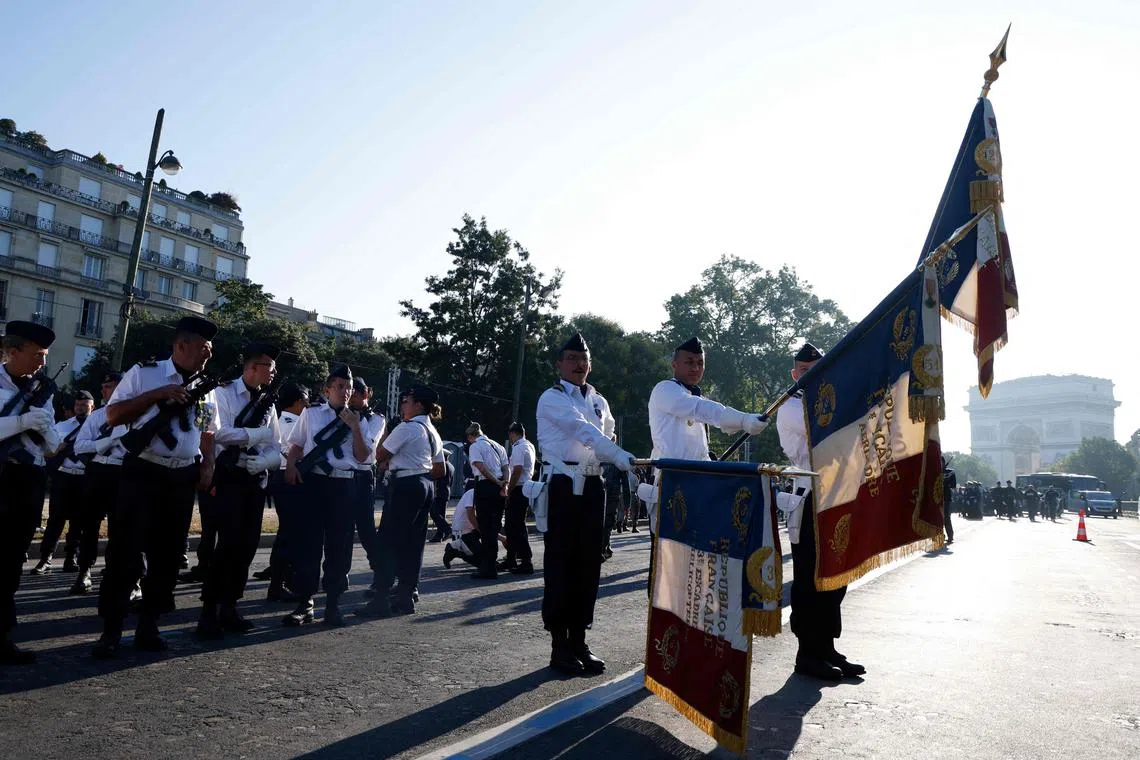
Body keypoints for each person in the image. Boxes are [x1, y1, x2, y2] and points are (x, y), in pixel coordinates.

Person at [93, 316, 220, 659]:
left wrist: (207, 464)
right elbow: (113, 415)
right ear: (181, 346)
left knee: (167, 556)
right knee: (125, 552)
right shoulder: (144, 373)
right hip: (143, 471)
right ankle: (111, 631)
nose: (208, 355)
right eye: (203, 348)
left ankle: (149, 625)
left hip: (181, 476)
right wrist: (157, 394)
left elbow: (207, 431)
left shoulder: (207, 385)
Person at [536, 332, 636, 676]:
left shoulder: (598, 400)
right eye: (572, 359)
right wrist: (620, 455)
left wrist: (615, 453)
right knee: (561, 563)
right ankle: (559, 645)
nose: (580, 365)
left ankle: (579, 639)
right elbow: (584, 432)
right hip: (564, 483)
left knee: (589, 565)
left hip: (594, 483)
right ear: (559, 364)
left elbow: (605, 435)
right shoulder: (551, 398)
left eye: (584, 359)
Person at [645, 336, 769, 587]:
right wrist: (743, 419)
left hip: (697, 487)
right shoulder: (666, 390)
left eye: (700, 363)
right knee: (666, 568)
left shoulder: (692, 395)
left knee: (692, 563)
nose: (695, 368)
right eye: (689, 362)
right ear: (674, 364)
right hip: (672, 486)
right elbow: (702, 409)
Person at [776, 341, 863, 681]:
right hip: (811, 496)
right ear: (794, 373)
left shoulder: (832, 397)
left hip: (837, 494)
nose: (811, 376)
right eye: (805, 371)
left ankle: (826, 646)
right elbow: (828, 430)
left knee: (836, 576)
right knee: (810, 578)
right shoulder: (792, 405)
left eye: (819, 369)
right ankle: (806, 652)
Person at [196, 342, 282, 639]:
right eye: (269, 366)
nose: (273, 372)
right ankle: (208, 612)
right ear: (251, 368)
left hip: (254, 479)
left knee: (247, 546)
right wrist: (255, 434)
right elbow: (217, 433)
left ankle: (230, 607)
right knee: (227, 544)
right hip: (229, 476)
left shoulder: (268, 401)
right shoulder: (222, 393)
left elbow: (277, 446)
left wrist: (266, 462)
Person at [282, 365, 366, 627]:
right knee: (309, 544)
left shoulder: (360, 419)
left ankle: (333, 603)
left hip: (343, 485)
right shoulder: (311, 414)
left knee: (338, 546)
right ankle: (305, 603)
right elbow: (296, 444)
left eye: (349, 388)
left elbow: (363, 457)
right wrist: (291, 466)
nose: (345, 391)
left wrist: (354, 427)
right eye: (340, 386)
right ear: (327, 389)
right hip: (315, 482)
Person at [0, 320, 61, 664]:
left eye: (45, 356)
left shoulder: (42, 389)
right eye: (36, 355)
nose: (41, 362)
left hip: (29, 480)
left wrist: (46, 432)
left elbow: (51, 446)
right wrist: (20, 422)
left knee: (11, 561)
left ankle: (3, 638)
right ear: (13, 351)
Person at [357, 384, 444, 617]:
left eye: (407, 400)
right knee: (414, 543)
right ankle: (406, 595)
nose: (403, 403)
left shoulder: (407, 428)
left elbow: (379, 454)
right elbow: (440, 469)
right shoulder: (431, 430)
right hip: (424, 484)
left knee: (388, 541)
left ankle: (381, 597)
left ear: (418, 405)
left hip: (405, 485)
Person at [69, 372, 126, 596]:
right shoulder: (97, 417)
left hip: (124, 471)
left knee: (120, 526)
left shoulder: (138, 415)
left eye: (110, 386)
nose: (104, 391)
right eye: (103, 386)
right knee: (89, 524)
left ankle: (115, 572)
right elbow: (80, 447)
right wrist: (105, 442)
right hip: (99, 471)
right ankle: (84, 571)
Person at [32, 391, 96, 574]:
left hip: (85, 478)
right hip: (64, 477)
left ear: (93, 407)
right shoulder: (63, 426)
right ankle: (45, 559)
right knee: (55, 520)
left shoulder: (98, 426)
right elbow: (48, 451)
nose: (80, 407)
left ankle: (71, 558)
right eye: (78, 405)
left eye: (85, 405)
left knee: (79, 521)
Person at [261, 382, 309, 601]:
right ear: (299, 402)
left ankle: (282, 580)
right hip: (288, 479)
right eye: (307, 401)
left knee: (290, 533)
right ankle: (278, 584)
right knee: (289, 534)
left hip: (281, 478)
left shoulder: (282, 420)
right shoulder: (294, 424)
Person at [346, 377, 386, 590]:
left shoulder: (375, 418)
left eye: (356, 394)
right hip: (342, 475)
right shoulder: (342, 413)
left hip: (362, 475)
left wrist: (354, 423)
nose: (351, 398)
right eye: (350, 393)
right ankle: (337, 576)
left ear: (366, 394)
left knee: (366, 530)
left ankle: (381, 574)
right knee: (340, 527)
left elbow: (368, 449)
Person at [466, 422, 509, 579]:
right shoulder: (498, 446)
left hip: (485, 485)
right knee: (494, 526)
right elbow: (506, 467)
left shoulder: (475, 446)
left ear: (471, 436)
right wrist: (505, 483)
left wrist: (497, 483)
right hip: (499, 486)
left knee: (485, 527)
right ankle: (491, 565)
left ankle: (488, 567)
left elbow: (481, 467)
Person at [502, 422, 536, 574]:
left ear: (512, 433)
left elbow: (517, 470)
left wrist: (509, 490)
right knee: (513, 525)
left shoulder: (519, 447)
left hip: (518, 488)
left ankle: (525, 560)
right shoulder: (529, 445)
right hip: (525, 487)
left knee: (515, 525)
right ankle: (512, 558)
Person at [442, 487, 479, 569]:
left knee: (489, 561)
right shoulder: (472, 493)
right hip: (462, 532)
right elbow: (471, 515)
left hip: (473, 530)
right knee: (483, 563)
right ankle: (455, 550)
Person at [428, 449, 455, 543]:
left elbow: (436, 476)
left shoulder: (444, 466)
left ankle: (447, 529)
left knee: (433, 512)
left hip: (440, 491)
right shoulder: (451, 466)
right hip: (446, 491)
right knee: (441, 514)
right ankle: (439, 535)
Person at [941, 457, 956, 545]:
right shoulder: (935, 472)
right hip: (937, 497)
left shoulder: (950, 472)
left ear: (943, 462)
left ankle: (950, 536)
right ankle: (939, 535)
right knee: (938, 518)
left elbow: (953, 485)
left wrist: (945, 479)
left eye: (941, 462)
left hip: (946, 497)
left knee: (946, 517)